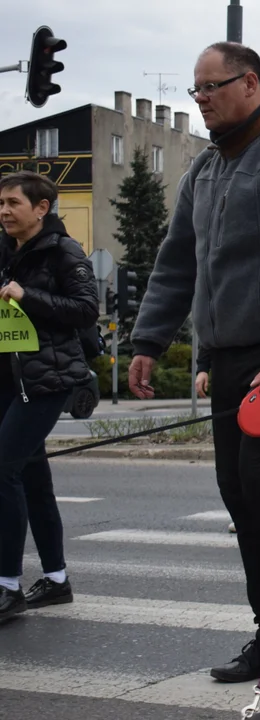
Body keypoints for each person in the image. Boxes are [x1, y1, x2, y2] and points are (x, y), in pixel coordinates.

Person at [128, 41, 260, 681]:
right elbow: (175, 262)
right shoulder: (205, 170)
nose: (200, 99)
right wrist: (147, 342)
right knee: (238, 492)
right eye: (194, 91)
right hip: (227, 354)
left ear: (249, 83)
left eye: (210, 87)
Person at [0, 171, 98, 622]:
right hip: (8, 378)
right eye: (1, 203)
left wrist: (28, 295)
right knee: (33, 478)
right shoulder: (5, 251)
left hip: (47, 381)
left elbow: (85, 310)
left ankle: (7, 585)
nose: (4, 211)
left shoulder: (63, 251)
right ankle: (56, 579)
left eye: (12, 203)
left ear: (41, 208)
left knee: (4, 470)